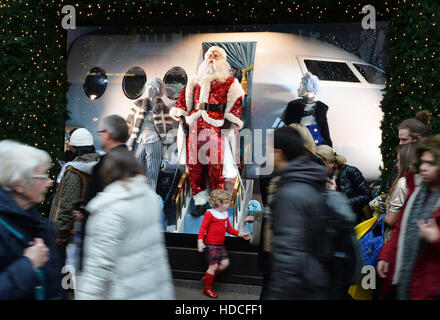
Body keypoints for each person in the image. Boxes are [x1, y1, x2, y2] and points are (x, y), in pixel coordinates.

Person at [76, 147, 175, 300]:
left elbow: (98, 268)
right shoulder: (149, 199)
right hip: (153, 289)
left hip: (125, 291)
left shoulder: (109, 208)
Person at [170, 46, 245, 217]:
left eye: (216, 56)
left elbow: (236, 103)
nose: (212, 58)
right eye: (210, 55)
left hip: (216, 128)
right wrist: (182, 117)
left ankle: (218, 204)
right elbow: (184, 101)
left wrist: (228, 122)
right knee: (194, 167)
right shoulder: (195, 80)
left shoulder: (230, 82)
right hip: (195, 126)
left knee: (216, 167)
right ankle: (200, 202)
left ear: (223, 60)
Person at [261, 126, 330, 300]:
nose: (266, 156)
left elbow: (289, 254)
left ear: (278, 153)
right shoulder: (309, 176)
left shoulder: (291, 191)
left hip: (299, 284)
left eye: (268, 151)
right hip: (314, 278)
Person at [377, 135, 440, 300]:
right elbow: (399, 228)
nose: (424, 168)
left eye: (431, 163)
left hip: (430, 286)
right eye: (423, 162)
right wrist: (386, 256)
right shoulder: (416, 191)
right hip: (406, 279)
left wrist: (436, 239)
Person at [0, 140, 64, 299]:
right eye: (43, 176)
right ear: (19, 184)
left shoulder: (36, 223)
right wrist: (28, 265)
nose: (49, 183)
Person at [78, 115, 129, 271]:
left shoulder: (109, 163)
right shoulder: (130, 160)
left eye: (100, 132)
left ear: (108, 134)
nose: (99, 136)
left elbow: (99, 200)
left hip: (102, 239)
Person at [50, 128, 99, 266]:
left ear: (75, 147)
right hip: (88, 232)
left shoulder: (74, 171)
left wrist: (60, 234)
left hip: (70, 234)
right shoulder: (98, 165)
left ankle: (67, 287)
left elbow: (67, 205)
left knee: (65, 274)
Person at [197, 189, 250, 298]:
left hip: (220, 245)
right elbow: (202, 228)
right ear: (218, 203)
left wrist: (240, 234)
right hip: (211, 245)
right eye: (226, 203)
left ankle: (208, 278)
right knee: (213, 266)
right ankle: (208, 288)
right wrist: (200, 242)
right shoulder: (210, 214)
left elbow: (229, 229)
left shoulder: (225, 214)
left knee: (225, 264)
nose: (228, 205)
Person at [126, 77, 174, 190]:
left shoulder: (164, 109)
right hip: (138, 141)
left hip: (154, 142)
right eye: (148, 87)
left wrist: (166, 157)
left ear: (158, 90)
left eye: (152, 87)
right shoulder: (138, 105)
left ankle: (150, 200)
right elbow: (128, 124)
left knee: (152, 176)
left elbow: (169, 134)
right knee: (136, 175)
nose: (149, 90)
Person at [316, 144, 371, 224]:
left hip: (353, 222)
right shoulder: (320, 176)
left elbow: (367, 195)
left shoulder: (350, 171)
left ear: (324, 161)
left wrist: (344, 203)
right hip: (331, 224)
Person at [280, 72, 332, 147]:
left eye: (301, 85)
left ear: (308, 87)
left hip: (317, 146)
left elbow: (325, 131)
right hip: (298, 145)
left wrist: (330, 149)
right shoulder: (293, 106)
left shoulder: (321, 108)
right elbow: (280, 123)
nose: (298, 89)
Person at [385, 110, 432, 192]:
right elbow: (388, 187)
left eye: (404, 139)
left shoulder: (431, 162)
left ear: (417, 139)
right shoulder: (401, 158)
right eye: (400, 139)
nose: (400, 143)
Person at [384, 142, 417, 236]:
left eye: (399, 161)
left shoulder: (403, 182)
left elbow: (391, 220)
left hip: (398, 236)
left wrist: (381, 217)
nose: (397, 165)